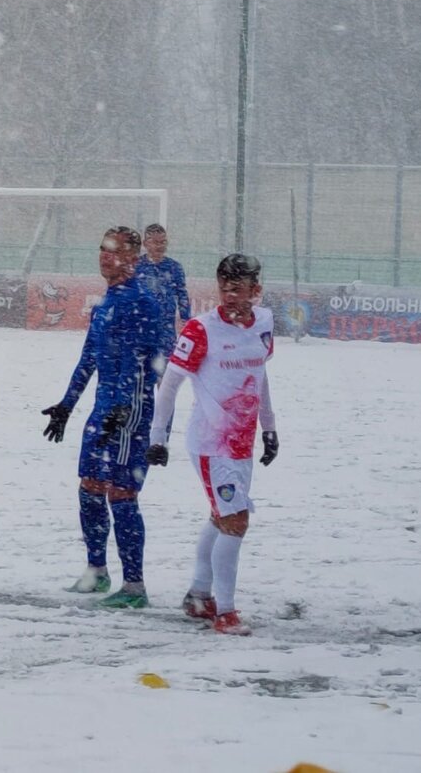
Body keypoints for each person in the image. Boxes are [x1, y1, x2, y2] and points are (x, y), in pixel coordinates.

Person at [146, 253, 278, 636]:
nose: (229, 295)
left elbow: (260, 374)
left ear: (256, 290)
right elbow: (169, 385)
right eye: (224, 287)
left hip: (243, 442)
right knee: (236, 521)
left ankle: (199, 596)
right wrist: (158, 438)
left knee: (221, 517)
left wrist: (269, 427)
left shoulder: (264, 324)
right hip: (210, 443)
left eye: (238, 288)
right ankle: (226, 613)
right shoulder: (200, 330)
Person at [41, 226, 162, 608]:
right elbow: (90, 357)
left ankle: (134, 587)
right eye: (102, 248)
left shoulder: (141, 301)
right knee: (90, 486)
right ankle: (96, 571)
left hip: (131, 411)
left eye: (114, 250)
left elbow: (143, 364)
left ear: (132, 258)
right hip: (103, 407)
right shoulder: (107, 302)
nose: (105, 256)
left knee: (122, 494)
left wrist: (124, 408)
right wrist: (66, 405)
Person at [135, 223, 191, 372]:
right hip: (140, 328)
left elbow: (182, 293)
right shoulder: (136, 266)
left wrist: (186, 317)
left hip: (165, 329)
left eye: (163, 242)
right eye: (155, 242)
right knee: (141, 374)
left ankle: (162, 396)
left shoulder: (174, 267)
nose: (160, 246)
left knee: (164, 372)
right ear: (146, 243)